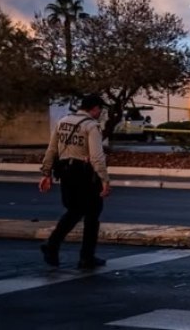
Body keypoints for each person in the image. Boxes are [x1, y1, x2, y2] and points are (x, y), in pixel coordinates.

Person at [38, 94, 111, 269]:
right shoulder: (91, 126)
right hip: (85, 175)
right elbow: (97, 157)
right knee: (93, 213)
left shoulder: (63, 121)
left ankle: (52, 245)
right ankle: (86, 257)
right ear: (94, 108)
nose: (100, 112)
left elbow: (51, 149)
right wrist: (105, 180)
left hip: (65, 173)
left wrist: (46, 172)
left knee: (75, 211)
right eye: (99, 109)